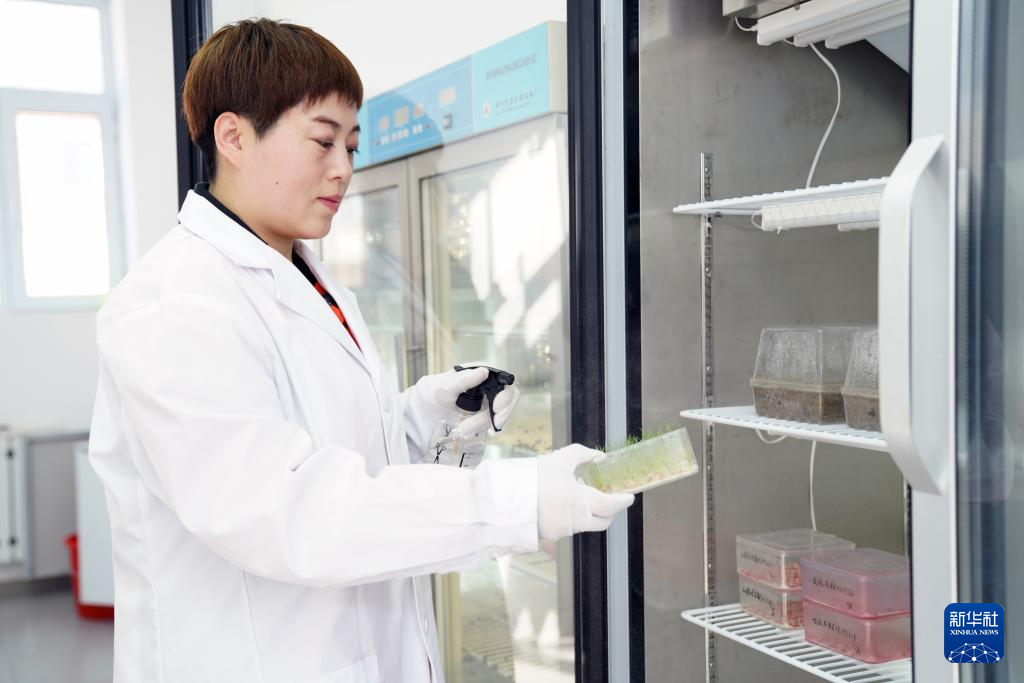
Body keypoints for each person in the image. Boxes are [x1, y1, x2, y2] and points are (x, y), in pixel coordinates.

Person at [88, 18, 633, 683]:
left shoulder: (314, 283)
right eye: (323, 141)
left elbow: (331, 452)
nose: (344, 169)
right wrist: (521, 499)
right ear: (233, 137)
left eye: (351, 144)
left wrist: (417, 419)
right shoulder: (172, 305)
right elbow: (288, 512)